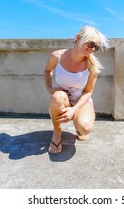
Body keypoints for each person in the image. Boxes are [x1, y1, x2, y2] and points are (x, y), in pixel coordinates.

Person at [44, 26, 109, 154]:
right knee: (57, 96)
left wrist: (74, 109)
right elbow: (47, 71)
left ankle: (79, 123)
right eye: (91, 44)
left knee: (85, 128)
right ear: (78, 38)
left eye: (96, 47)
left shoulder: (92, 66)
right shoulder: (57, 56)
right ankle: (57, 132)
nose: (92, 49)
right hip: (63, 100)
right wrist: (49, 88)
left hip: (81, 101)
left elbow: (88, 91)